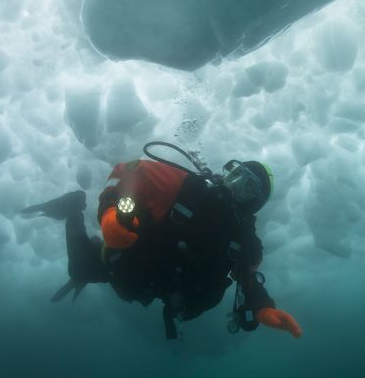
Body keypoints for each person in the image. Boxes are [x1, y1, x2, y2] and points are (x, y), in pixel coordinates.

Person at [21, 142, 302, 340]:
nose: (234, 184)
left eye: (248, 185)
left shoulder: (246, 242)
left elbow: (248, 278)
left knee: (118, 284)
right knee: (81, 269)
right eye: (235, 173)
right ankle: (73, 207)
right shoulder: (187, 187)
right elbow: (123, 173)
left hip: (149, 284)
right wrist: (109, 215)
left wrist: (262, 307)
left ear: (257, 202)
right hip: (129, 255)